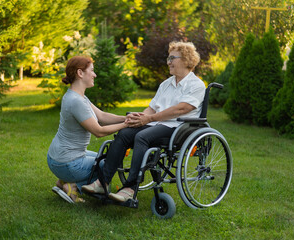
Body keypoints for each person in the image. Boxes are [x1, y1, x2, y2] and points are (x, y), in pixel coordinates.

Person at [82, 41, 206, 202]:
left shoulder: (196, 85)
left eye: (172, 58)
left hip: (178, 128)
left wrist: (150, 118)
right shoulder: (166, 84)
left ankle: (130, 188)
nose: (168, 62)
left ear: (186, 60)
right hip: (157, 124)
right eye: (168, 58)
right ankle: (102, 182)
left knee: (143, 137)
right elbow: (152, 109)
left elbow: (181, 109)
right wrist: (140, 117)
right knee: (125, 133)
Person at [47, 56, 129, 203]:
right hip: (66, 162)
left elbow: (102, 116)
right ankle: (72, 186)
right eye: (92, 70)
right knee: (108, 164)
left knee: (103, 157)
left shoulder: (78, 96)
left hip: (59, 157)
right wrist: (127, 125)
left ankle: (63, 182)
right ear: (80, 73)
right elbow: (99, 131)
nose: (95, 74)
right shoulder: (76, 101)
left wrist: (126, 118)